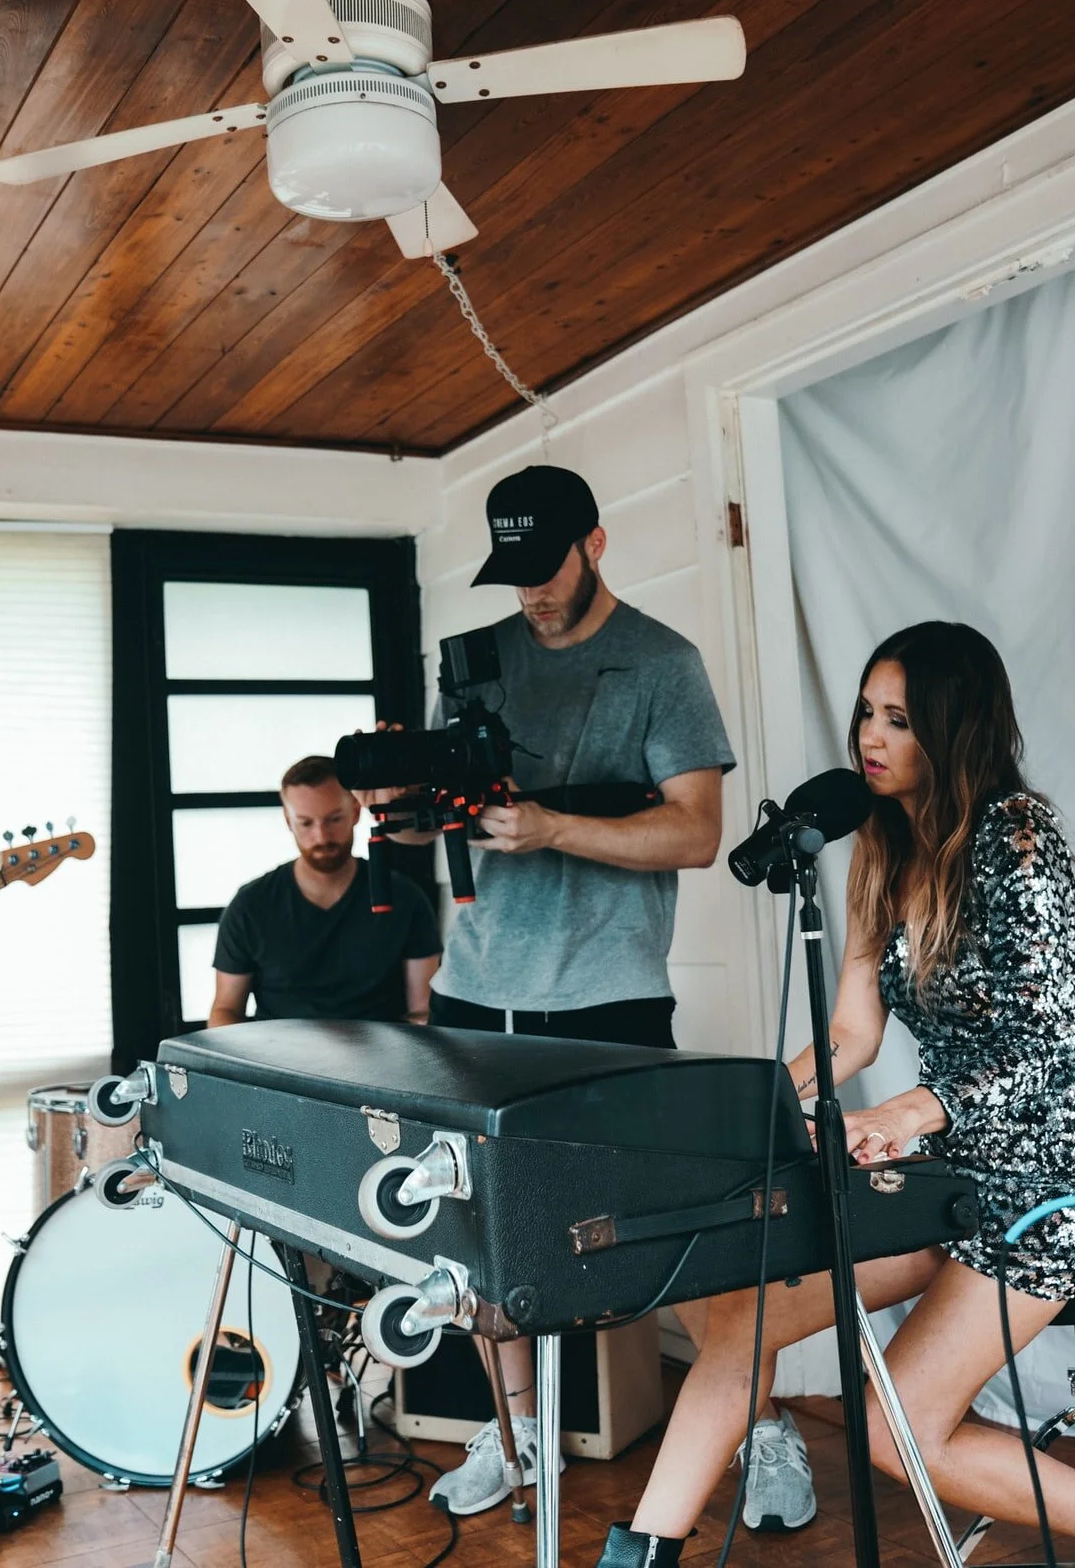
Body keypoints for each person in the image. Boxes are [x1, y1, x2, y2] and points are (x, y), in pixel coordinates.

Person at [594, 622, 1075, 1567]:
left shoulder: (1017, 837)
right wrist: (756, 1109)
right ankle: (643, 1555)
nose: (870, 737)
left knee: (899, 1434)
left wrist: (906, 1113)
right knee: (747, 1320)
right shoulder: (883, 851)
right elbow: (853, 1033)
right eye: (865, 713)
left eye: (899, 718)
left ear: (955, 727)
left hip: (1061, 1177)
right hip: (959, 1172)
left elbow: (1049, 1043)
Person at [391, 463, 737, 1515]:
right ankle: (516, 1436)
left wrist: (551, 827)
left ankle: (758, 1423)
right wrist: (404, 811)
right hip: (475, 994)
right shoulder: (474, 660)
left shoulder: (662, 664)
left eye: (547, 567)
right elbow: (439, 812)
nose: (532, 592)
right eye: (515, 572)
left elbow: (697, 832)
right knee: (475, 1233)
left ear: (595, 544)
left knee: (669, 1226)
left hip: (607, 996)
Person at [209, 755, 442, 1024]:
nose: (321, 837)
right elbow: (226, 1009)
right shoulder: (250, 906)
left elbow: (422, 1011)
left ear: (355, 812)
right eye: (306, 823)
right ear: (288, 821)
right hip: (278, 1049)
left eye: (334, 819)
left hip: (379, 1048)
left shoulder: (405, 899)